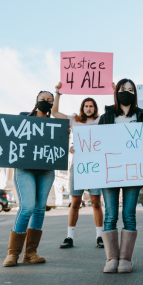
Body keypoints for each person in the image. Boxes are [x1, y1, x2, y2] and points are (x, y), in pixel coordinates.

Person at [98, 78, 143, 274]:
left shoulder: (142, 116)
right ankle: (111, 259)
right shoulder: (106, 116)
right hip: (109, 171)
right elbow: (97, 142)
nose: (126, 92)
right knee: (110, 214)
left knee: (129, 214)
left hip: (133, 172)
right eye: (122, 89)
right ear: (116, 92)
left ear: (135, 94)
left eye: (130, 89)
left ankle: (125, 259)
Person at [0, 91, 57, 267]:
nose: (46, 102)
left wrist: (64, 134)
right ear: (36, 101)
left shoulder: (55, 124)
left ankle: (31, 253)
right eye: (43, 99)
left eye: (50, 100)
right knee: (27, 207)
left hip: (46, 170)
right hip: (25, 169)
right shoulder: (23, 117)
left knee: (40, 209)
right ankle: (13, 253)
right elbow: (5, 132)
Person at [51, 82, 104, 249]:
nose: (89, 108)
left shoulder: (101, 121)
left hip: (95, 166)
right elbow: (54, 113)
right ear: (83, 108)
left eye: (91, 106)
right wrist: (58, 92)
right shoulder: (74, 120)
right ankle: (69, 237)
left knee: (96, 202)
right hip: (78, 166)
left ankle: (99, 237)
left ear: (95, 108)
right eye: (86, 106)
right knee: (75, 203)